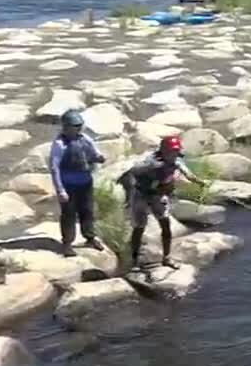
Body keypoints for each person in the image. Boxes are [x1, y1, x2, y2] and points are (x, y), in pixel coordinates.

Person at [119, 136, 206, 270]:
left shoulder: (177, 161)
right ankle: (135, 261)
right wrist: (128, 192)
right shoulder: (150, 162)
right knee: (139, 228)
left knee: (166, 225)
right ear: (164, 150)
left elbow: (187, 173)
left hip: (159, 196)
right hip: (141, 195)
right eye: (171, 152)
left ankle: (167, 258)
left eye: (176, 152)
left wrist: (200, 182)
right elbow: (131, 173)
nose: (174, 154)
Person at [48, 109, 107, 257]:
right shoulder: (59, 144)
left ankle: (90, 238)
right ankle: (67, 243)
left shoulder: (85, 139)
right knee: (69, 214)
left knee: (87, 211)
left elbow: (94, 154)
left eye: (80, 125)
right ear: (66, 127)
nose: (79, 128)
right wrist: (60, 190)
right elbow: (54, 168)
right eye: (75, 126)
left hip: (85, 182)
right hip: (68, 185)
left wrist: (99, 158)